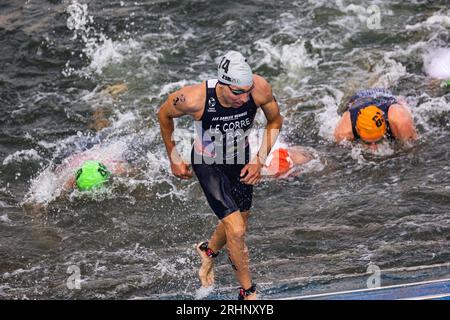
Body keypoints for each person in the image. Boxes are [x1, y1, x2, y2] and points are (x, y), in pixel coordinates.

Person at [157, 51, 283, 300]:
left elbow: (275, 121)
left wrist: (259, 160)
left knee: (239, 223)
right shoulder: (193, 98)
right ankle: (248, 292)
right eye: (238, 92)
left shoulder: (259, 88)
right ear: (222, 84)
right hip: (208, 163)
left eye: (247, 91)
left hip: (240, 161)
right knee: (236, 230)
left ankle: (208, 251)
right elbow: (163, 115)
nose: (244, 97)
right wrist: (173, 156)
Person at [334, 88, 418, 148]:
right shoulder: (344, 132)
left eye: (379, 141)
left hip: (383, 95)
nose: (374, 148)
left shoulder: (401, 122)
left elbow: (414, 150)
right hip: (358, 98)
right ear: (357, 130)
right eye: (367, 143)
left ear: (385, 127)